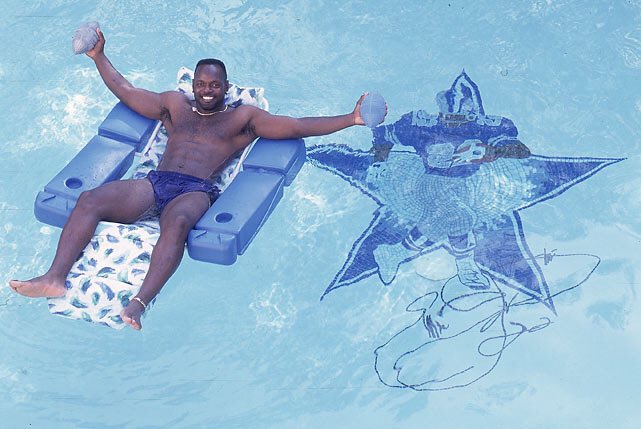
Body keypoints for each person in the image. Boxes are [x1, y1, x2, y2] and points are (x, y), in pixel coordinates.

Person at [9, 27, 382, 330]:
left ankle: (138, 304)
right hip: (157, 181)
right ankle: (54, 277)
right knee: (90, 200)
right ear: (194, 85)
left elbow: (298, 126)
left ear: (225, 87)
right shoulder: (173, 106)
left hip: (197, 190)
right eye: (201, 84)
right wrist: (99, 57)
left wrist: (350, 119)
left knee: (179, 223)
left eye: (214, 86)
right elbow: (126, 91)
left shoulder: (242, 119)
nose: (206, 90)